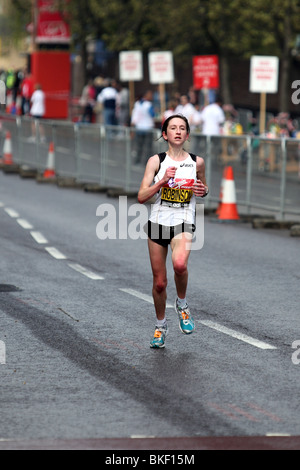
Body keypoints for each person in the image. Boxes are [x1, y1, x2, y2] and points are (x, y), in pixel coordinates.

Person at [137, 114, 209, 349]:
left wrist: (202, 190)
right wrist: (161, 182)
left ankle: (182, 304)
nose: (177, 131)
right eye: (172, 128)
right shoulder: (155, 161)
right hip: (158, 222)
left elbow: (203, 188)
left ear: (187, 135)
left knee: (180, 265)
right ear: (165, 134)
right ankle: (160, 326)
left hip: (183, 220)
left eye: (182, 128)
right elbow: (141, 197)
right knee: (159, 283)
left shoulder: (197, 162)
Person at [131, 90, 155, 164]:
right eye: (150, 94)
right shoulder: (148, 104)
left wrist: (132, 127)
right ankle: (146, 161)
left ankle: (137, 160)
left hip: (139, 127)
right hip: (148, 127)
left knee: (139, 145)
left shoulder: (137, 104)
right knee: (148, 146)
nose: (151, 96)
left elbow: (134, 117)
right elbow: (152, 114)